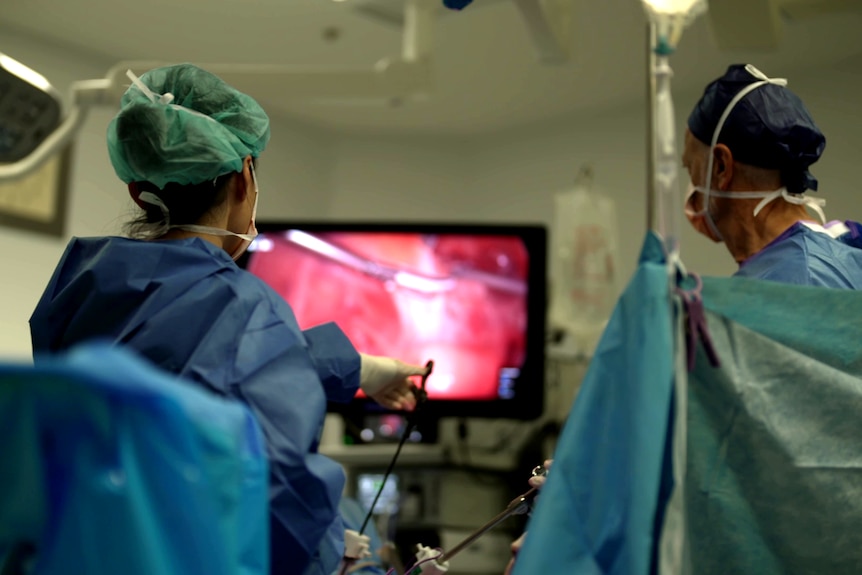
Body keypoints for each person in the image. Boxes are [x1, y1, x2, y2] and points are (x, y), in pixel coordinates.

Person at [29, 64, 429, 575]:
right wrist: (339, 558)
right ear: (244, 179)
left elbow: (193, 366)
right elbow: (276, 500)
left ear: (138, 191)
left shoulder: (86, 284)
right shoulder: (242, 306)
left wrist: (361, 368)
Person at [682, 63, 862, 288]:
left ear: (721, 166)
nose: (690, 187)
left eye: (691, 168)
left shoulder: (797, 281)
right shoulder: (846, 250)